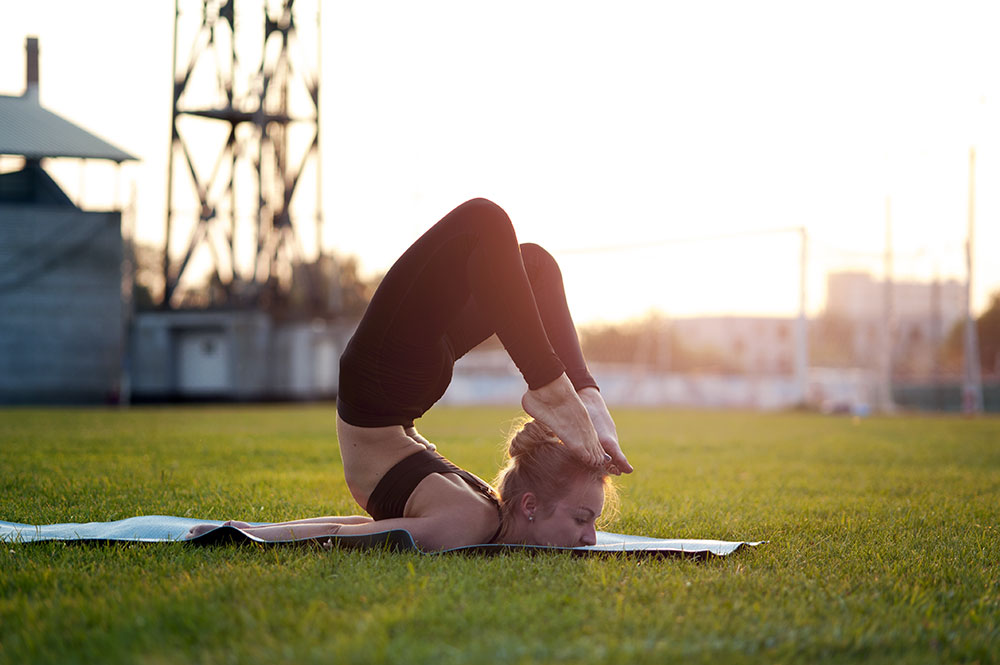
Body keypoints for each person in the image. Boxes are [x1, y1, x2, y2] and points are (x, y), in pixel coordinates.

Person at [186, 198, 632, 550]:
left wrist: (250, 534)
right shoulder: (477, 517)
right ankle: (576, 391)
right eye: (582, 518)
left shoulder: (469, 522)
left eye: (588, 519)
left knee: (486, 221)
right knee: (533, 264)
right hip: (398, 388)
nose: (591, 537)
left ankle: (563, 389)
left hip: (383, 388)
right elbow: (359, 528)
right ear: (530, 504)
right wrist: (252, 531)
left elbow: (352, 533)